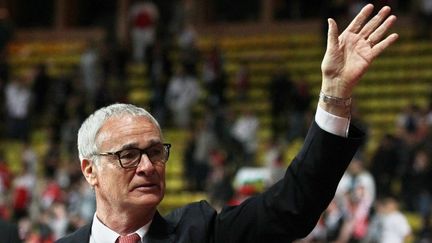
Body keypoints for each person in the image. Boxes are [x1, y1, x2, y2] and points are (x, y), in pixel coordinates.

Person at [57, 4, 398, 243]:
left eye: (156, 152)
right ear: (90, 170)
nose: (148, 166)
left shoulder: (202, 231)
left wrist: (335, 95)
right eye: (129, 155)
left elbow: (294, 203)